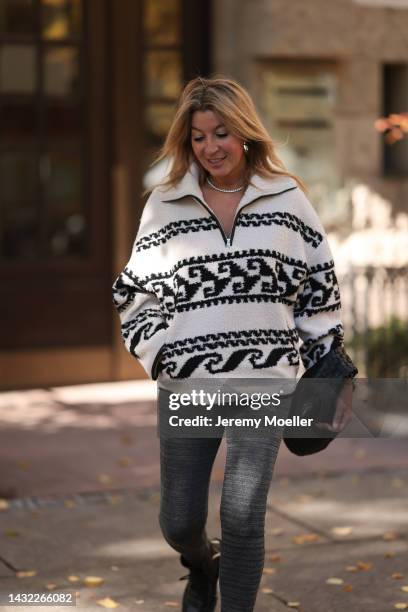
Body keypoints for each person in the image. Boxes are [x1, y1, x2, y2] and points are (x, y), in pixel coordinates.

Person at [112, 76, 351, 612]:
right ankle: (201, 564)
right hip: (187, 388)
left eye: (221, 132)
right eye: (197, 137)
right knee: (179, 521)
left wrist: (321, 363)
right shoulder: (165, 203)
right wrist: (163, 355)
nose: (211, 147)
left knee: (244, 517)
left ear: (244, 132)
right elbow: (133, 294)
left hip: (263, 383)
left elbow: (320, 293)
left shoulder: (288, 201)